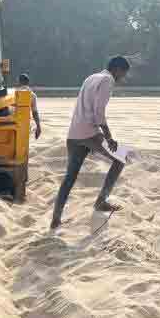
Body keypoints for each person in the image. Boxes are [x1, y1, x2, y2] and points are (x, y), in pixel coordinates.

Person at [49, 56, 130, 231]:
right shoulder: (108, 80)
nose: (123, 78)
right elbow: (98, 112)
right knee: (121, 157)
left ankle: (55, 219)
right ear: (117, 69)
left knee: (69, 179)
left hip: (74, 133)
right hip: (89, 133)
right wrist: (108, 137)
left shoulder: (91, 77)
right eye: (123, 73)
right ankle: (101, 201)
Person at [18, 73, 43, 140]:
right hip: (26, 123)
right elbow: (34, 112)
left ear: (19, 82)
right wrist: (38, 126)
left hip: (14, 124)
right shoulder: (32, 95)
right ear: (28, 82)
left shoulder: (14, 93)